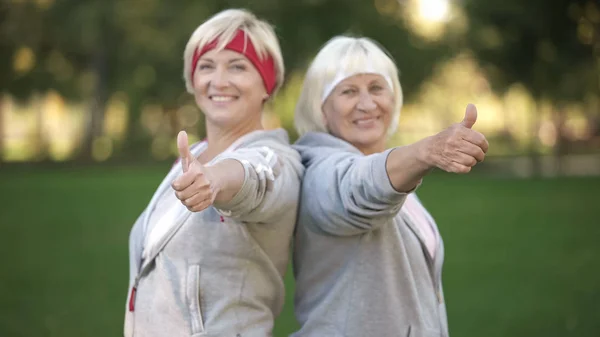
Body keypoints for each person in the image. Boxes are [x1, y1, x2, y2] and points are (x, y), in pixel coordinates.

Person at [291, 36, 489, 337]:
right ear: (321, 108)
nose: (367, 104)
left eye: (376, 88)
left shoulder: (392, 170)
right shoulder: (320, 170)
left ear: (393, 98)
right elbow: (357, 189)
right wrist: (426, 151)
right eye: (348, 91)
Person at [123, 9, 303, 337]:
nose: (219, 81)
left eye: (237, 66)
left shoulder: (278, 160)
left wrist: (217, 180)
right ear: (193, 81)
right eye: (206, 66)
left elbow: (255, 178)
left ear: (267, 84)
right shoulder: (190, 159)